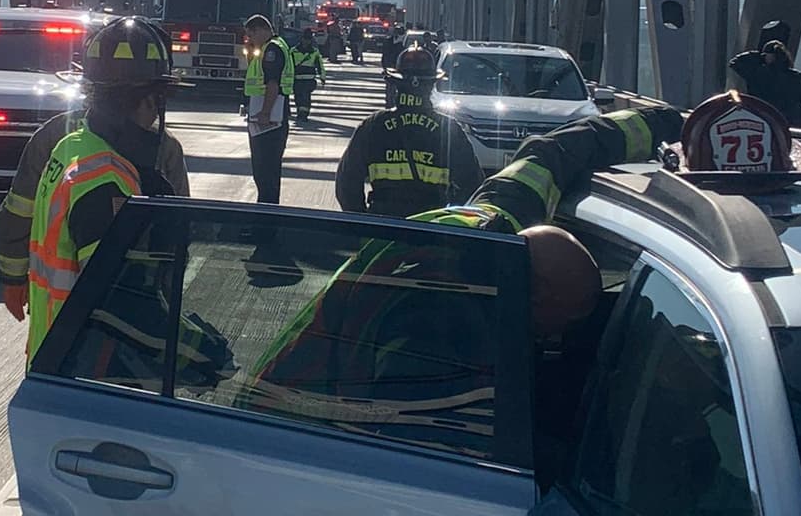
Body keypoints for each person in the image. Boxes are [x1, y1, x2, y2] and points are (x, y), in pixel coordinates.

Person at [250, 106, 684, 477]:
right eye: (566, 323)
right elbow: (431, 462)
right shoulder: (437, 331)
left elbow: (554, 153)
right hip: (290, 442)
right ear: (532, 300)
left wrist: (673, 122)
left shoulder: (497, 229)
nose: (560, 338)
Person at [22, 15, 187, 516]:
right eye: (156, 96)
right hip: (101, 378)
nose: (160, 110)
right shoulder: (107, 179)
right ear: (143, 98)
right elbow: (123, 296)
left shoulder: (73, 151)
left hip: (59, 373)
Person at [0, 69, 190, 321]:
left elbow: (18, 212)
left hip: (54, 322)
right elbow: (180, 233)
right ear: (149, 99)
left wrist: (12, 278)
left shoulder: (56, 136)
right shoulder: (164, 147)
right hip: (112, 328)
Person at [335, 46, 482, 217]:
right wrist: (449, 226)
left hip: (383, 229)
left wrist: (363, 224)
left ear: (395, 83)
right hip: (432, 230)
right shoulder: (449, 129)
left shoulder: (374, 126)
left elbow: (347, 182)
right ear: (433, 83)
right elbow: (473, 185)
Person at [243, 14, 294, 205]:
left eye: (251, 35)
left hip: (269, 121)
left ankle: (266, 216)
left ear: (260, 30)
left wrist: (265, 112)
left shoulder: (272, 50)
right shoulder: (272, 46)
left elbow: (273, 83)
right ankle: (266, 209)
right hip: (270, 117)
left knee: (265, 170)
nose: (249, 40)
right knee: (266, 172)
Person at [729, 36, 801, 129]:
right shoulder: (797, 77)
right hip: (793, 122)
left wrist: (758, 55)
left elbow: (735, 62)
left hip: (765, 119)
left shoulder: (758, 74)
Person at [289, 28, 327, 123]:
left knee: (306, 97)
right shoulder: (293, 51)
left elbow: (320, 65)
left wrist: (322, 77)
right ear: (301, 39)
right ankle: (300, 112)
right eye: (305, 39)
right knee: (298, 97)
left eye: (308, 39)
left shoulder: (314, 52)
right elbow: (289, 66)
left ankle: (304, 115)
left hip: (309, 79)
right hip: (297, 79)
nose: (306, 41)